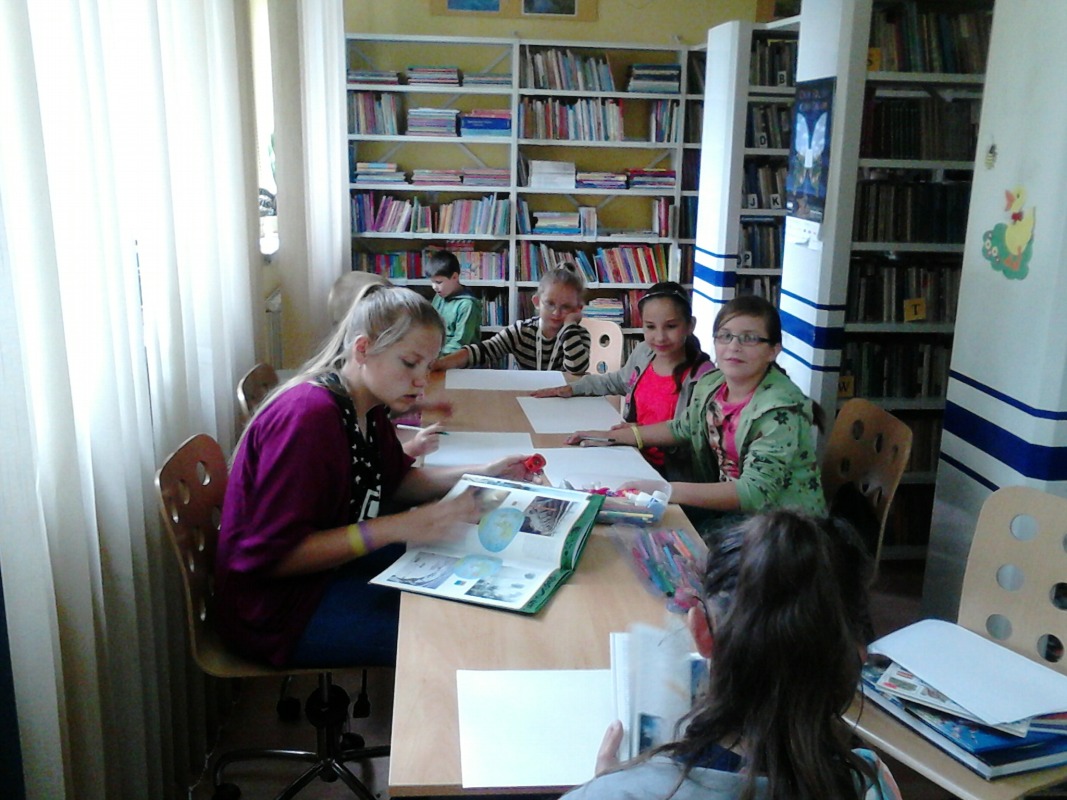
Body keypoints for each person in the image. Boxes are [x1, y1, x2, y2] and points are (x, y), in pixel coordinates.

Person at [215, 284, 535, 668]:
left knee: (476, 576)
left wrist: (482, 472)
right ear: (363, 349)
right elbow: (276, 555)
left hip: (328, 571)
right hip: (278, 611)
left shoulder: (367, 405)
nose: (421, 380)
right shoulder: (309, 417)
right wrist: (400, 526)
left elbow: (397, 482)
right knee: (453, 636)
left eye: (428, 366)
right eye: (410, 363)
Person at [562, 509, 903, 800]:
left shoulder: (618, 792)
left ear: (701, 632)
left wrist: (607, 786)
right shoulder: (872, 785)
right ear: (858, 655)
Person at [567, 294, 824, 541]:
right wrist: (614, 436)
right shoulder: (713, 384)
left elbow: (754, 493)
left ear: (773, 350)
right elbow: (682, 427)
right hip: (732, 511)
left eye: (749, 338)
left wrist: (666, 489)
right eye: (725, 336)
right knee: (624, 522)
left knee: (651, 542)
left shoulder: (779, 411)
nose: (734, 346)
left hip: (781, 528)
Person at [531, 281, 713, 479]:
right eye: (650, 327)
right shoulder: (644, 352)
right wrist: (573, 388)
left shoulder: (703, 378)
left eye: (671, 326)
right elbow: (618, 380)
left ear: (690, 325)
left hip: (672, 474)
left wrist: (637, 433)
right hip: (631, 454)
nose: (660, 337)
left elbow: (690, 433)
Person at [432, 263, 591, 373]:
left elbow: (576, 369)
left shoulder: (579, 335)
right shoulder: (522, 331)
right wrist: (442, 363)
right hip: (529, 396)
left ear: (577, 309)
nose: (556, 312)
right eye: (550, 304)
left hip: (562, 401)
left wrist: (570, 326)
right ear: (537, 302)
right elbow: (483, 350)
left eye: (566, 307)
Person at [427, 250, 483, 355]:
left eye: (439, 282)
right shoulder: (439, 296)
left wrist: (433, 356)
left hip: (459, 359)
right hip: (437, 352)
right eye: (432, 282)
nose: (434, 287)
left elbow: (460, 343)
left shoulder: (467, 305)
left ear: (455, 277)